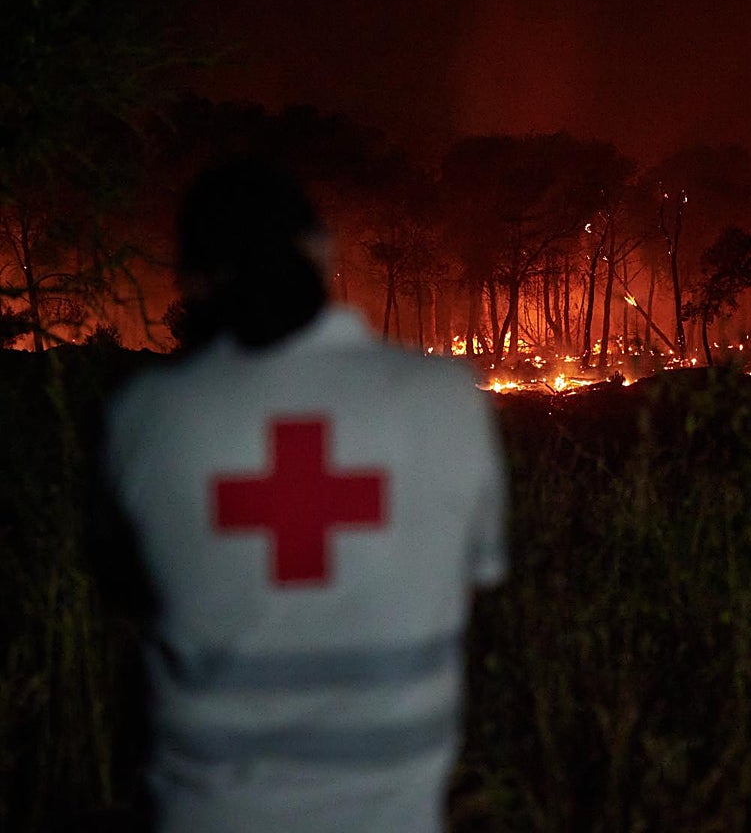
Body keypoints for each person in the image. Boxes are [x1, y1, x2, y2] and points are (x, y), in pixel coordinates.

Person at [104, 159, 507, 832]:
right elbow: (463, 587)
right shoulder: (446, 399)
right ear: (323, 251)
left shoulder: (143, 416)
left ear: (191, 280)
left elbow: (130, 592)